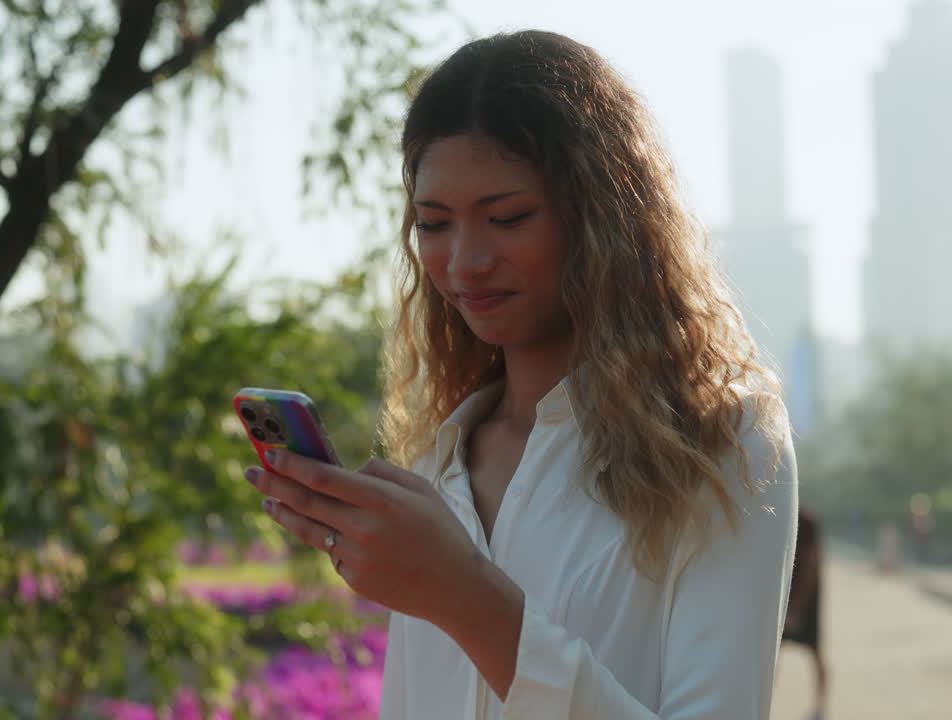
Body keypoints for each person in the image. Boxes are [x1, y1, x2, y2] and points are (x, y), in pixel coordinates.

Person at [244, 30, 798, 719]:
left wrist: (466, 597)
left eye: (507, 217)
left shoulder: (723, 442)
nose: (465, 262)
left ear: (604, 217)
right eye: (433, 224)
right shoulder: (438, 462)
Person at [782, 508, 827, 720]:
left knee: (815, 653)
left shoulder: (806, 521)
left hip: (804, 598)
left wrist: (797, 608)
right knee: (769, 658)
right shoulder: (779, 515)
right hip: (784, 598)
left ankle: (819, 707)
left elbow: (811, 562)